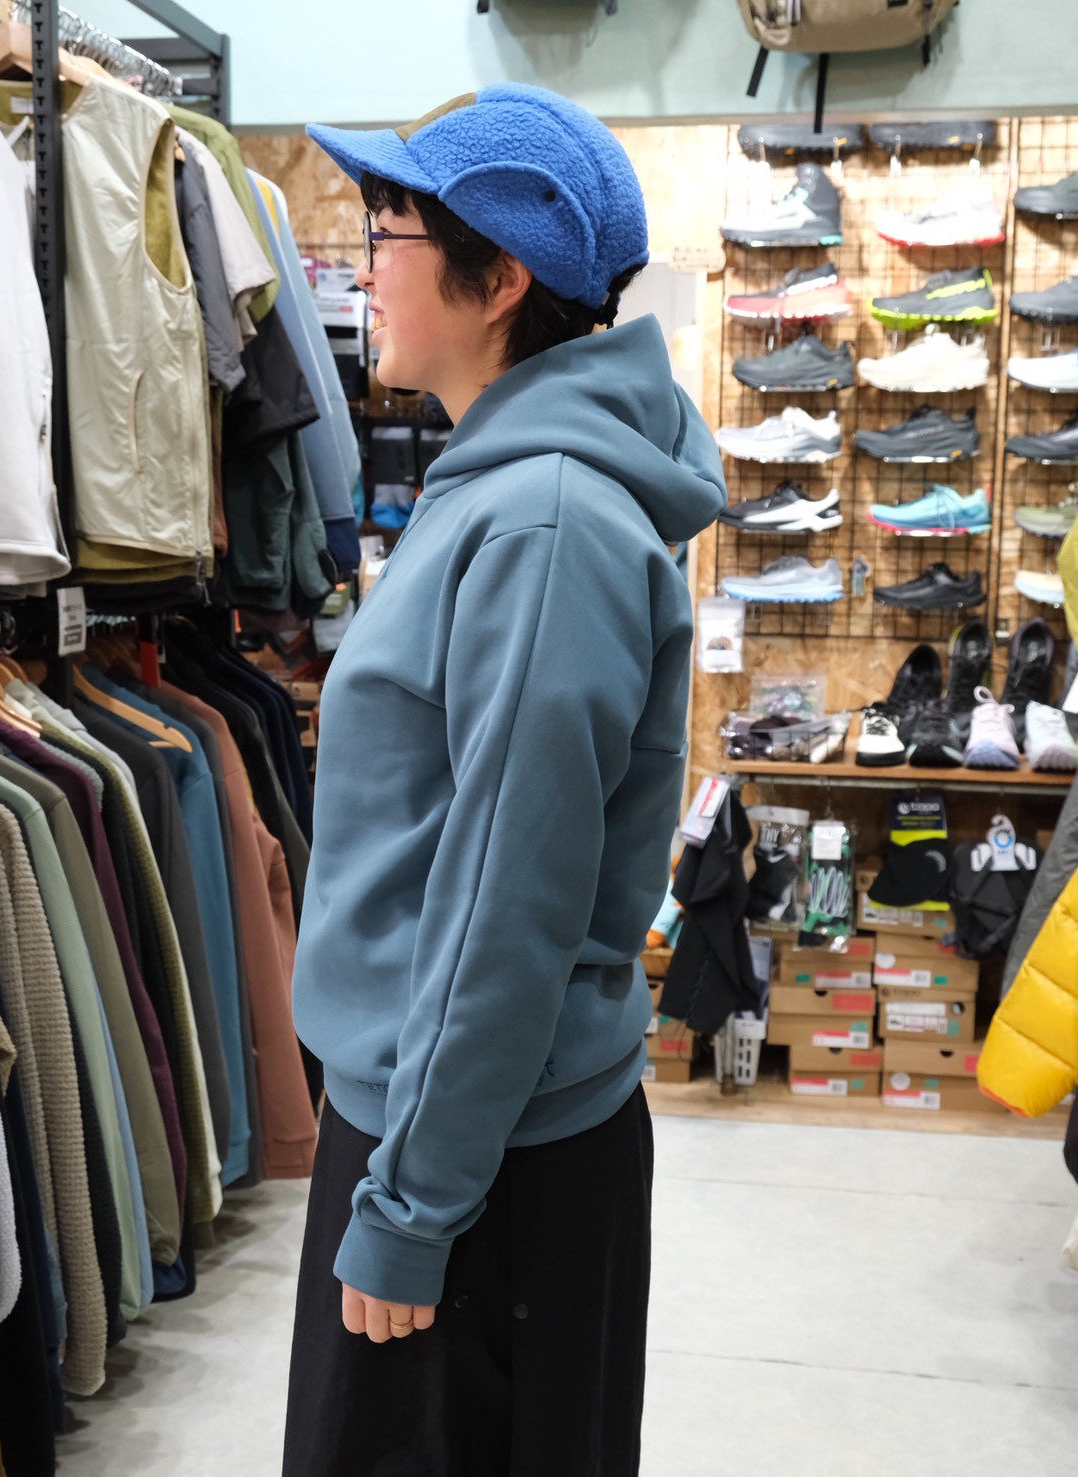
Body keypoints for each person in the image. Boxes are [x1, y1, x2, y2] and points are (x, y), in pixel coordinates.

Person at [284, 83, 726, 1476]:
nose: (364, 265)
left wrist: (413, 1204)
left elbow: (503, 906)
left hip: (477, 1164)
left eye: (389, 230)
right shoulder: (507, 487)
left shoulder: (542, 520)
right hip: (460, 1126)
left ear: (504, 277)